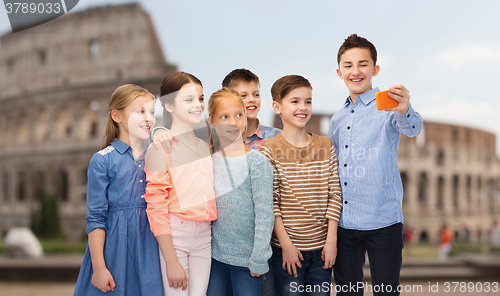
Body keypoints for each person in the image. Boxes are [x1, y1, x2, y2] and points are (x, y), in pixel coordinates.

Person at [328, 34, 423, 295]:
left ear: (375, 69)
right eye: (348, 65)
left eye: (363, 64)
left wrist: (405, 109)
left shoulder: (388, 105)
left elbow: (412, 128)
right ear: (339, 72)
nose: (355, 71)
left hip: (383, 220)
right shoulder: (336, 119)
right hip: (346, 223)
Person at [74, 84, 164, 296]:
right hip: (115, 251)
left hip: (153, 248)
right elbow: (96, 217)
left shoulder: (158, 154)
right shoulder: (102, 160)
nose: (149, 118)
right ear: (117, 115)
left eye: (151, 112)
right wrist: (99, 268)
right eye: (140, 111)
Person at [260, 75, 343, 296]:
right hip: (287, 251)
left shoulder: (326, 145)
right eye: (295, 101)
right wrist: (286, 245)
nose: (303, 107)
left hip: (322, 249)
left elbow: (335, 194)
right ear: (277, 106)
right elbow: (271, 201)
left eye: (308, 101)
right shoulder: (269, 150)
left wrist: (331, 240)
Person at [144, 72, 217, 296]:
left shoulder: (205, 147)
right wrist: (171, 260)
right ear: (169, 106)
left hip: (205, 236)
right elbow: (155, 206)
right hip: (176, 235)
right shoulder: (159, 147)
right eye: (189, 99)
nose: (198, 105)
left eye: (201, 98)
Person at [205, 88, 274, 296]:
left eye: (239, 115)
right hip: (216, 259)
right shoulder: (209, 161)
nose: (233, 122)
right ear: (212, 121)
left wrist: (258, 258)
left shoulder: (257, 161)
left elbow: (265, 213)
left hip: (248, 262)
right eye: (224, 117)